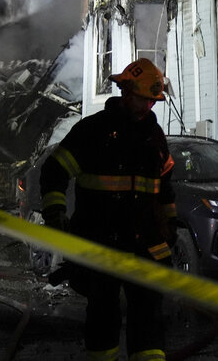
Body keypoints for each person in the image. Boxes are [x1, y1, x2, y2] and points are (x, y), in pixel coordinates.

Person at [39, 58, 177, 361]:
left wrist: (171, 223)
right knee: (103, 314)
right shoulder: (94, 131)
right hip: (100, 242)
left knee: (149, 316)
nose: (148, 107)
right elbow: (55, 170)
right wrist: (55, 213)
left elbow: (164, 186)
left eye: (153, 101)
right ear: (126, 92)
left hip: (144, 245)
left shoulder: (155, 138)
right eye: (144, 99)